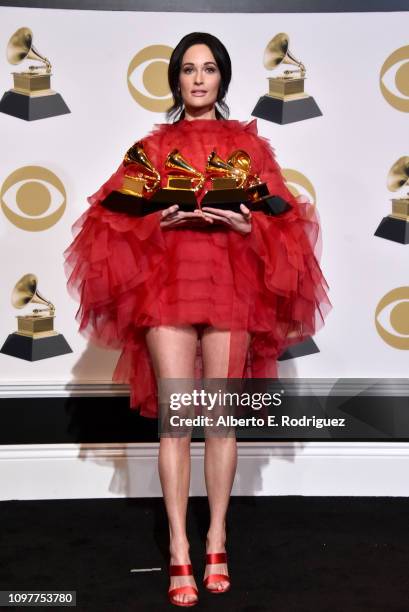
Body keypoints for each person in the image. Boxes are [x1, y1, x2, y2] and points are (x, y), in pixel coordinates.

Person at [64, 32, 331, 607]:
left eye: (209, 69)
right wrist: (156, 224)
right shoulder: (151, 150)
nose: (199, 78)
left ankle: (217, 538)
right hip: (167, 291)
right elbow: (104, 221)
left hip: (232, 290)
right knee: (175, 423)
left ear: (223, 79)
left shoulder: (250, 149)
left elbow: (284, 221)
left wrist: (246, 227)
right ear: (176, 80)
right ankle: (180, 550)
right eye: (189, 69)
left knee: (221, 423)